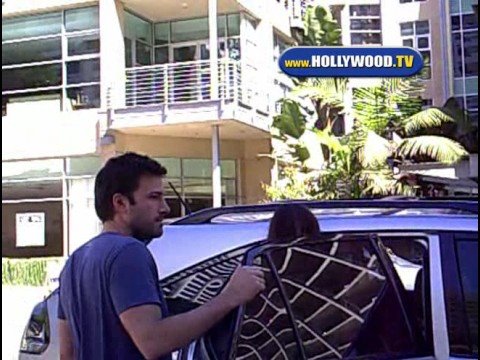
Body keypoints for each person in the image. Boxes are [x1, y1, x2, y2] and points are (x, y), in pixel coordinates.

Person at [58, 152, 265, 360]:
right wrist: (230, 297)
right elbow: (153, 342)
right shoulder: (128, 252)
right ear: (120, 203)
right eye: (154, 197)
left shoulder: (75, 262)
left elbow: (67, 354)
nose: (165, 208)